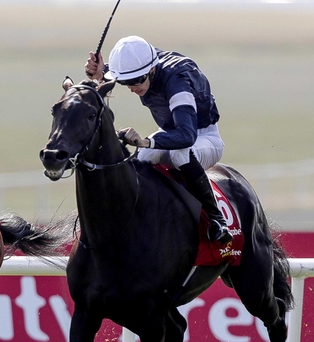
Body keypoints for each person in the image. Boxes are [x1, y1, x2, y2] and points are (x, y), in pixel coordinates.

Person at [84, 35, 232, 244]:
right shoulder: (144, 65)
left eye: (136, 82)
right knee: (141, 158)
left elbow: (187, 136)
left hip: (203, 137)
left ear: (152, 70)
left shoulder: (177, 79)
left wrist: (146, 141)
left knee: (178, 154)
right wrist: (100, 73)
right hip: (171, 134)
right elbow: (124, 70)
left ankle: (216, 219)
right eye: (126, 83)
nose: (133, 88)